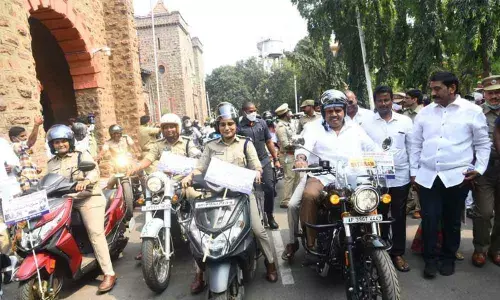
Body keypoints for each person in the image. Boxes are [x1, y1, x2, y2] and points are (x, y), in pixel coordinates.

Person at [181, 102, 278, 286]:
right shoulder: (210, 146)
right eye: (223, 124)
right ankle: (199, 274)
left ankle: (270, 263)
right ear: (218, 126)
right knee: (201, 233)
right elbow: (199, 167)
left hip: (241, 195)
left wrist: (257, 172)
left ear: (236, 125)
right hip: (216, 196)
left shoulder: (245, 143)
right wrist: (189, 176)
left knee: (258, 230)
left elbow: (255, 164)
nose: (227, 128)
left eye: (230, 124)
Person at [410, 71, 490, 278]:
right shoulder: (425, 113)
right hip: (427, 176)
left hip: (457, 177)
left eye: (437, 88)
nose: (433, 92)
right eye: (432, 88)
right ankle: (430, 259)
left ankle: (448, 258)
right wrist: (413, 172)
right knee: (430, 218)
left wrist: (479, 168)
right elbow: (415, 144)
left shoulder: (472, 111)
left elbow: (482, 144)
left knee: (452, 220)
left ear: (452, 88)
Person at [293, 89, 378, 250]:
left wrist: (383, 157)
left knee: (369, 197)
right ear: (323, 111)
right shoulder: (313, 128)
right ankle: (312, 242)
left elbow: (371, 147)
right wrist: (301, 159)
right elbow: (303, 147)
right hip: (322, 176)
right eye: (329, 111)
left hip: (353, 177)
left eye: (338, 110)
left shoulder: (355, 128)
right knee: (309, 195)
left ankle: (371, 236)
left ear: (344, 111)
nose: (334, 114)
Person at [46, 125, 117, 292]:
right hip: (64, 202)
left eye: (63, 141)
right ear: (52, 145)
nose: (60, 144)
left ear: (70, 141)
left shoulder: (81, 155)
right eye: (56, 142)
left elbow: (93, 171)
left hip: (87, 198)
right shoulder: (51, 163)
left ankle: (109, 273)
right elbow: (47, 181)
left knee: (95, 233)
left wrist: (86, 181)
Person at [362, 86, 413, 272]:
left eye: (386, 100)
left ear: (392, 100)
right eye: (379, 101)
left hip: (400, 176)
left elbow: (412, 148)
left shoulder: (405, 122)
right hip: (377, 178)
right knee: (379, 215)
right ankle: (381, 251)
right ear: (374, 102)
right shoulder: (366, 124)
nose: (383, 104)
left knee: (398, 216)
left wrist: (413, 173)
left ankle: (397, 253)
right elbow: (362, 149)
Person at [471, 75, 500, 267]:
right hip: (485, 168)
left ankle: (495, 249)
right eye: (491, 92)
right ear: (484, 94)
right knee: (484, 212)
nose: (495, 96)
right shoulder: (477, 113)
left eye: (498, 92)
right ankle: (480, 249)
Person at [238, 102, 281, 229]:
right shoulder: (239, 127)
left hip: (263, 161)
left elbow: (269, 141)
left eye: (254, 110)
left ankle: (270, 215)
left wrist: (276, 159)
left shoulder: (261, 123)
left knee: (269, 188)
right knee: (247, 192)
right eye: (250, 111)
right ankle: (249, 219)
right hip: (247, 164)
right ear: (244, 112)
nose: (253, 113)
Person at [0, 137, 20, 299]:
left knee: (3, 236)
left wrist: (12, 167)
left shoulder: (2, 144)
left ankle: (7, 264)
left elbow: (16, 164)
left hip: (4, 195)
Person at [275, 103, 300, 208]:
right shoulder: (280, 127)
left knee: (297, 177)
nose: (291, 113)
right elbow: (285, 144)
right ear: (285, 114)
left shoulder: (288, 123)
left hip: (293, 154)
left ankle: (294, 198)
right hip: (287, 155)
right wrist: (299, 144)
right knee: (289, 177)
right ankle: (286, 200)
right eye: (289, 111)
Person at [8, 116, 44, 190]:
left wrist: (36, 168)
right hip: (25, 183)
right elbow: (30, 142)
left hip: (33, 181)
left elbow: (25, 165)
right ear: (14, 138)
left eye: (25, 135)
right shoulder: (15, 146)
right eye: (22, 136)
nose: (25, 138)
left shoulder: (23, 150)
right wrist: (36, 125)